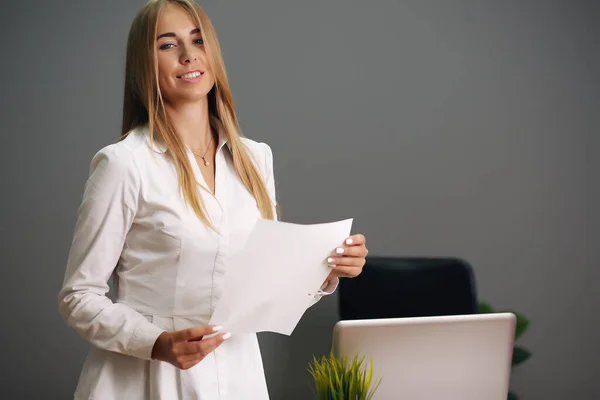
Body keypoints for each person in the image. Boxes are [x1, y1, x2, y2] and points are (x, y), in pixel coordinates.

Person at [57, 0, 369, 399]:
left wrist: (328, 272)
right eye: (168, 45)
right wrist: (158, 343)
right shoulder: (124, 164)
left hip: (238, 374)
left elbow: (263, 288)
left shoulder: (255, 158)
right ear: (143, 64)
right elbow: (78, 297)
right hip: (145, 380)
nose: (189, 55)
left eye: (198, 40)